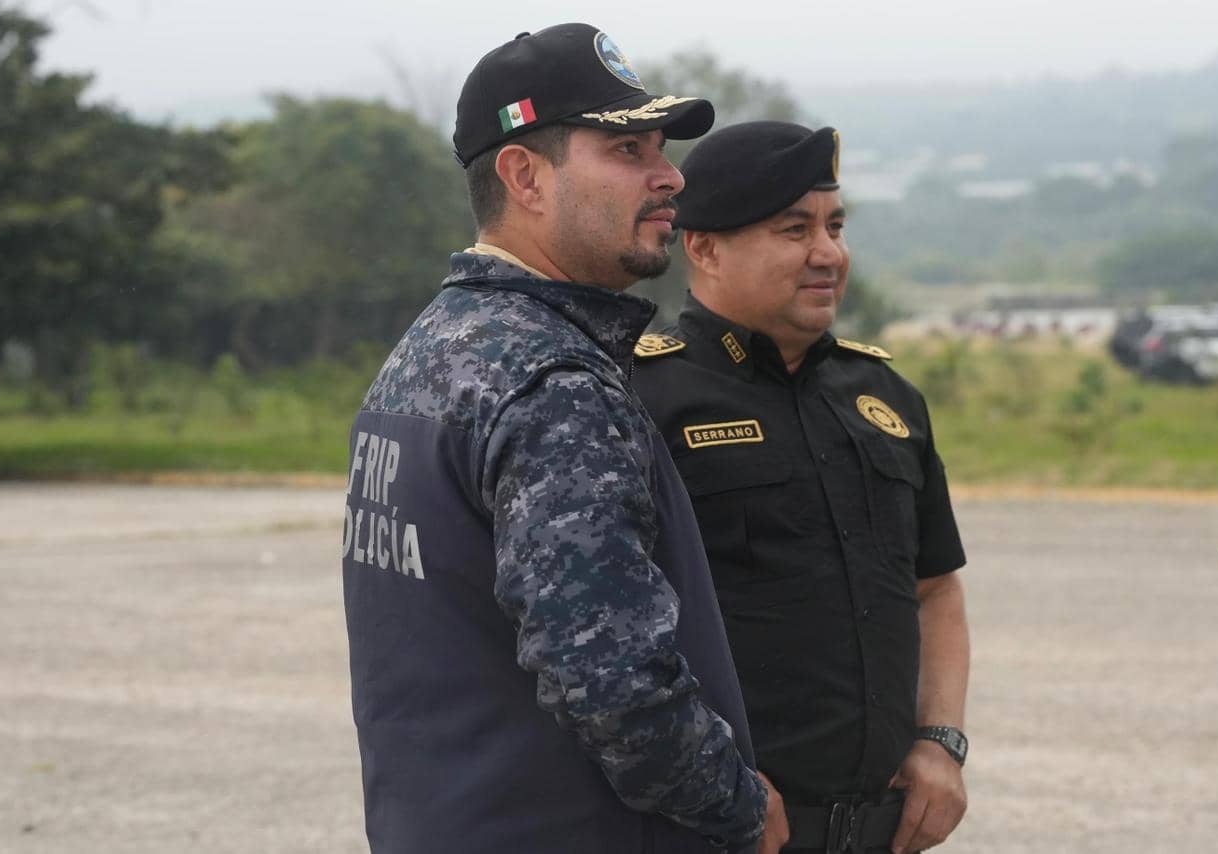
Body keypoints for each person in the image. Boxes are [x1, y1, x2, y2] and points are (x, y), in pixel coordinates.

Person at [342, 25, 788, 854]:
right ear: (524, 176)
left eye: (662, 147)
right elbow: (610, 676)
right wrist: (737, 804)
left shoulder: (429, 351)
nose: (671, 177)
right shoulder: (551, 382)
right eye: (627, 149)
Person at [632, 121, 971, 854]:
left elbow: (935, 587)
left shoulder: (885, 397)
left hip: (882, 833)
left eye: (835, 226)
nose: (829, 255)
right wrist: (707, 780)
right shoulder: (638, 397)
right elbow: (609, 632)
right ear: (704, 247)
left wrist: (941, 741)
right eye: (794, 230)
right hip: (715, 830)